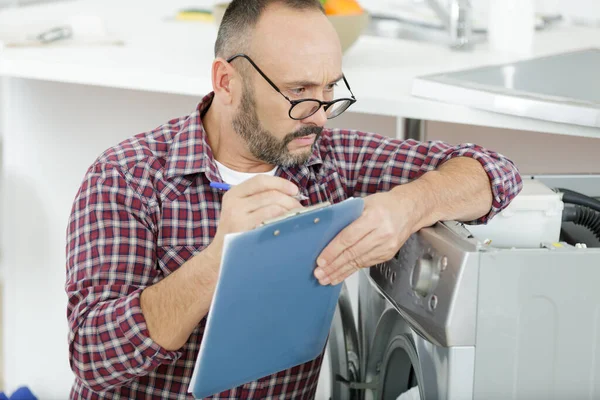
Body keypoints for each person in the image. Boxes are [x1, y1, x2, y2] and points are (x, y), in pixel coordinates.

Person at [65, 0, 522, 398]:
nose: (319, 116)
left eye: (329, 90)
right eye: (299, 92)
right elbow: (93, 357)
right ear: (226, 82)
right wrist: (217, 262)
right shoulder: (127, 178)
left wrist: (407, 207)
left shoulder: (330, 161)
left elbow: (496, 172)